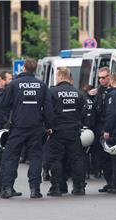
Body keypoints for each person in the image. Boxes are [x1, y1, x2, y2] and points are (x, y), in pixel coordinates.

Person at [0, 58, 53, 199]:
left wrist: (1, 91)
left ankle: (8, 188)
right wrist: (49, 126)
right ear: (35, 69)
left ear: (23, 68)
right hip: (36, 127)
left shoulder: (14, 84)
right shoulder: (42, 85)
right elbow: (48, 109)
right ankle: (35, 189)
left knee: (10, 157)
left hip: (18, 127)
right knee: (35, 157)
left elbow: (2, 104)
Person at [47, 67, 86, 196]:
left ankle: (57, 187)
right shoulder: (78, 93)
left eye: (57, 77)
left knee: (56, 159)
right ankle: (79, 187)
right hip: (74, 131)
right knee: (77, 159)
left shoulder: (52, 92)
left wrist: (49, 127)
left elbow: (48, 112)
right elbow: (83, 111)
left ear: (61, 77)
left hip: (57, 131)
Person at [0, 70, 20, 197]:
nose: (11, 81)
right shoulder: (1, 93)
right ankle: (3, 187)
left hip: (0, 129)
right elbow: (0, 114)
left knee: (2, 159)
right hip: (3, 130)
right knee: (4, 159)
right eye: (9, 78)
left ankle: (3, 187)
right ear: (1, 80)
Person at [89, 67, 111, 186]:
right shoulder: (98, 91)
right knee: (102, 157)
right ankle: (109, 182)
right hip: (99, 127)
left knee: (112, 157)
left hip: (109, 127)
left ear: (109, 77)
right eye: (99, 78)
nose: (101, 80)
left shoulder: (114, 90)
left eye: (103, 78)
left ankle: (114, 182)